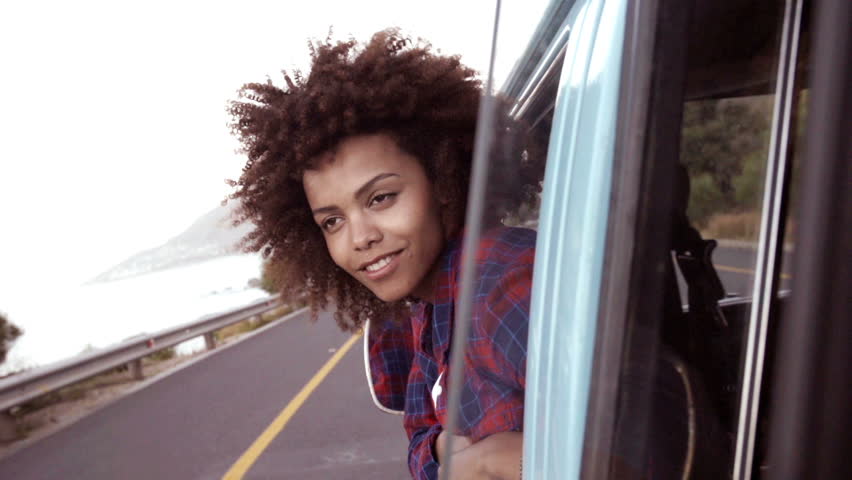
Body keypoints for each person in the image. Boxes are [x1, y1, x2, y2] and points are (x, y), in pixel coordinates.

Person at [227, 29, 542, 480]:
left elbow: (625, 443)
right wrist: (441, 452)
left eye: (380, 198)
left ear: (443, 182)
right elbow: (419, 433)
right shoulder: (429, 306)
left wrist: (506, 461)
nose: (360, 238)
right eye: (332, 221)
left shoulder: (501, 282)